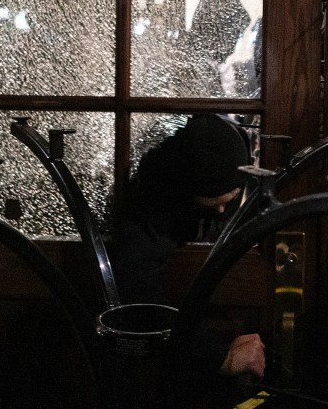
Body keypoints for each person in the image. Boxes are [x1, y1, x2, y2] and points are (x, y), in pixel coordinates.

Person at [114, 114, 266, 381]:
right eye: (210, 204)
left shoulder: (236, 152)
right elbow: (138, 290)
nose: (221, 210)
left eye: (229, 200)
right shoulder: (154, 199)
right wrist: (219, 356)